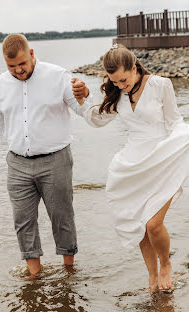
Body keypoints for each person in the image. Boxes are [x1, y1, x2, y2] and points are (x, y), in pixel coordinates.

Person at [72, 44, 189, 292]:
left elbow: (175, 122)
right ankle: (152, 276)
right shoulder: (118, 94)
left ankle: (166, 263)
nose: (121, 85)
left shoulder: (160, 85)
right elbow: (97, 119)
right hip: (133, 166)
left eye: (123, 79)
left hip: (162, 163)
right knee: (139, 225)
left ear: (134, 68)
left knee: (153, 224)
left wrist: (181, 145)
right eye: (115, 82)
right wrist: (82, 101)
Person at [0, 34, 89, 279]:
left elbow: (84, 111)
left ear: (31, 54)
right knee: (23, 220)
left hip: (56, 161)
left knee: (62, 217)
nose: (18, 70)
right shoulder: (0, 85)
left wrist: (85, 95)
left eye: (22, 64)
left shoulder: (58, 76)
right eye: (11, 66)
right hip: (17, 163)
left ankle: (69, 270)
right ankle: (34, 274)